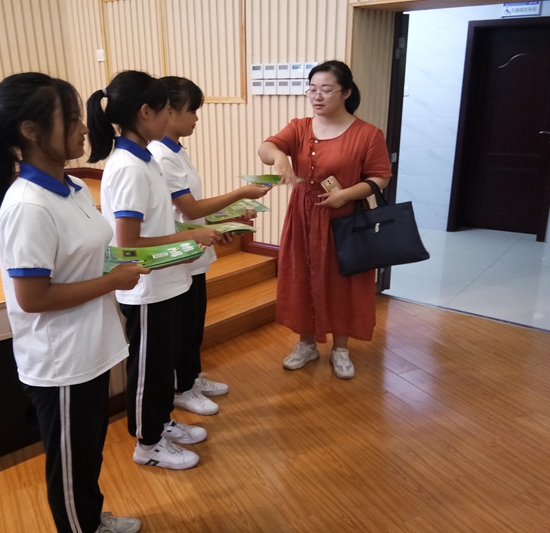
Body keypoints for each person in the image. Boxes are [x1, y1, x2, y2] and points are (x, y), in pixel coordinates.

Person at [0, 73, 145, 533]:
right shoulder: (28, 206)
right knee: (71, 468)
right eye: (72, 119)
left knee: (86, 455)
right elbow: (33, 297)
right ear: (30, 130)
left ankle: (90, 520)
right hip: (61, 360)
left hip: (89, 348)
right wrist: (113, 281)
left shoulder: (74, 186)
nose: (84, 128)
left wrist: (135, 261)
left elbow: (86, 256)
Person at [87, 70, 222, 470]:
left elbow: (157, 226)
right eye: (166, 110)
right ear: (146, 112)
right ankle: (147, 444)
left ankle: (161, 423)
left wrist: (189, 239)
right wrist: (190, 237)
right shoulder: (128, 167)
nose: (170, 117)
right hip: (146, 288)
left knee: (163, 365)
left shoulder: (145, 159)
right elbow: (128, 241)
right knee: (149, 368)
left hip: (167, 281)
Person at [257, 60, 392, 380]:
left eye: (326, 90)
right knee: (301, 275)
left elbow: (380, 177)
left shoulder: (368, 134)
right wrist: (279, 156)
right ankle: (306, 343)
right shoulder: (300, 127)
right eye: (312, 89)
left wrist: (346, 195)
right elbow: (266, 148)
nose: (317, 96)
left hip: (345, 218)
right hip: (303, 216)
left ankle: (341, 348)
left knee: (344, 281)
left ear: (346, 92)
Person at [148, 76, 271, 415]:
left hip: (194, 252)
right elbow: (189, 210)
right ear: (169, 112)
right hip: (178, 253)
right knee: (181, 327)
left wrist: (230, 217)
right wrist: (240, 192)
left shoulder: (177, 151)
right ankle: (181, 387)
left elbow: (191, 209)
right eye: (192, 111)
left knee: (192, 325)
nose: (196, 118)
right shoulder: (161, 156)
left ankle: (190, 376)